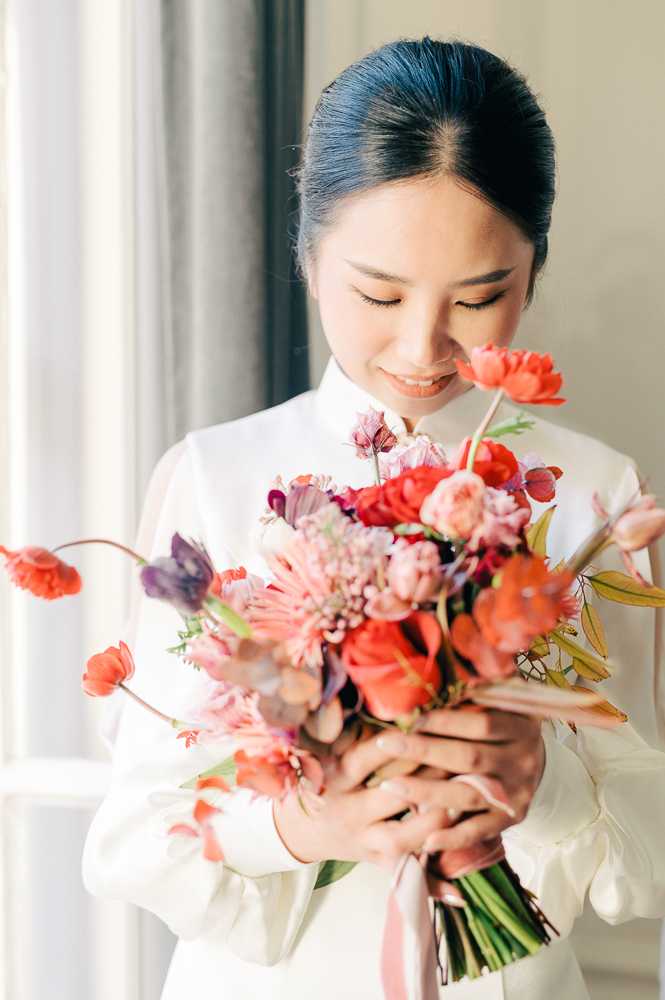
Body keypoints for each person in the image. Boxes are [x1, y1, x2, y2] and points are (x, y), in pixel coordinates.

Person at [81, 37, 665, 999]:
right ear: (308, 256)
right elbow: (136, 836)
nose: (422, 344)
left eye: (480, 297)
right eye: (378, 293)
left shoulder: (597, 496)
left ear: (534, 269)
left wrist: (543, 784)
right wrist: (309, 825)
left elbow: (647, 835)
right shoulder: (217, 478)